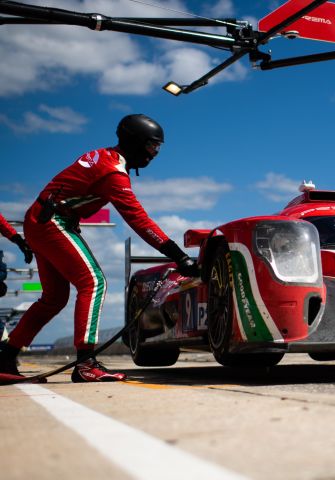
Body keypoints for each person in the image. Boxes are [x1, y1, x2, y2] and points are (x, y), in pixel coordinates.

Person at [0, 114, 200, 382]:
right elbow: (139, 220)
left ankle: (4, 358)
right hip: (53, 221)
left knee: (54, 299)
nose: (155, 153)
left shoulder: (105, 156)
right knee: (93, 282)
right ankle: (85, 364)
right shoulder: (113, 173)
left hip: (41, 218)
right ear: (136, 142)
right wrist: (179, 256)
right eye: (152, 146)